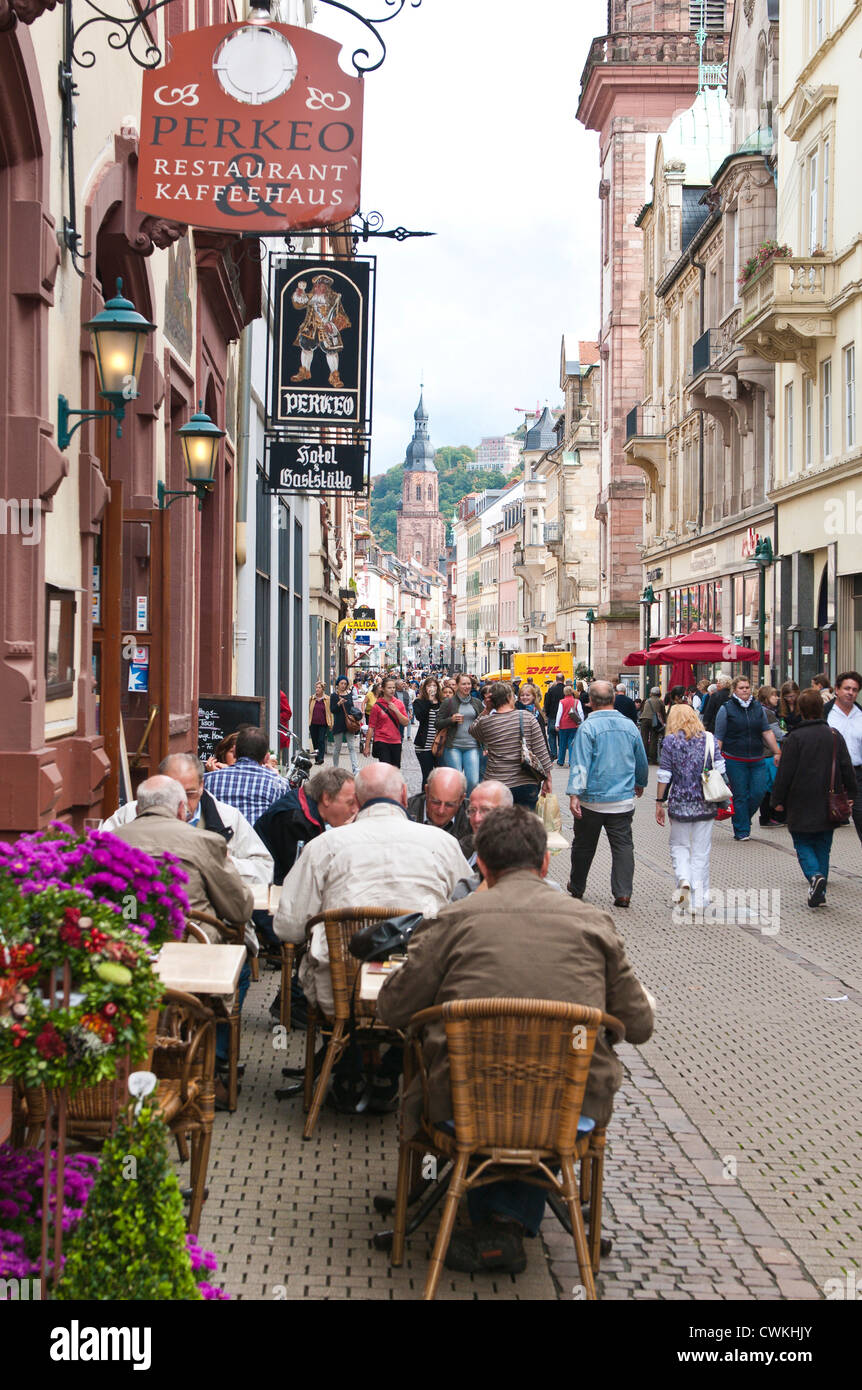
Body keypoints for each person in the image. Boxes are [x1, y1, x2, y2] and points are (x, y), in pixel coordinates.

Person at [375, 806, 655, 1275]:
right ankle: (510, 1219)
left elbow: (392, 1010)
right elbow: (640, 1026)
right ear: (546, 864)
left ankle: (483, 1218)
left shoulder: (452, 920)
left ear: (480, 866)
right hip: (571, 1110)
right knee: (543, 1095)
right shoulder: (592, 923)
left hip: (460, 1107)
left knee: (481, 1090)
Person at [272, 763, 472, 1110]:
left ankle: (348, 1067)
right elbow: (468, 915)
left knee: (332, 975)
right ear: (406, 796)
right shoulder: (443, 844)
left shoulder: (325, 845)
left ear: (358, 800)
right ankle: (394, 1069)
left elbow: (287, 927)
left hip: (341, 991)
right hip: (418, 991)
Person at [111, 775, 254, 1107]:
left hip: (124, 957)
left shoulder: (111, 840)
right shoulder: (202, 840)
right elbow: (239, 907)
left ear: (138, 807)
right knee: (241, 971)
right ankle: (214, 1067)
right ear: (180, 808)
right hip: (191, 957)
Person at [102, 752, 273, 888]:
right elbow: (97, 856)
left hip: (205, 919)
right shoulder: (130, 814)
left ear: (201, 786)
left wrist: (226, 864)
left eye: (189, 793)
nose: (181, 802)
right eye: (171, 792)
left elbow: (265, 870)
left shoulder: (227, 818)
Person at [772, 687, 857, 907]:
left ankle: (814, 875)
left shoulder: (795, 738)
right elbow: (846, 767)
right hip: (829, 799)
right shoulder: (834, 735)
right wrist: (852, 793)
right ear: (821, 709)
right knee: (823, 845)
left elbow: (785, 772)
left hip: (800, 799)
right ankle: (820, 889)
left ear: (800, 709)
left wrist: (777, 800)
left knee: (802, 841)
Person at [567, 679, 649, 908]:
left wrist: (575, 793)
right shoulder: (630, 726)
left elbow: (580, 763)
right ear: (613, 699)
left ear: (590, 702)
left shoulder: (587, 728)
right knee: (623, 845)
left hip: (591, 798)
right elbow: (641, 759)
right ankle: (623, 892)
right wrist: (640, 782)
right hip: (622, 798)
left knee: (584, 845)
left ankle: (577, 885)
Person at [655, 704, 727, 913]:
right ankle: (699, 899)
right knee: (701, 851)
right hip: (705, 800)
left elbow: (664, 775)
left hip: (679, 801)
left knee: (679, 845)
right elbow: (721, 768)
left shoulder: (670, 741)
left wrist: (659, 802)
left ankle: (684, 878)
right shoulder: (709, 739)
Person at [254, 767, 358, 884]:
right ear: (326, 798)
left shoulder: (305, 806)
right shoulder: (295, 820)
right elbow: (303, 878)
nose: (355, 810)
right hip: (268, 889)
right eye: (350, 803)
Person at [714, 675, 781, 841]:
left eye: (747, 687)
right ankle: (742, 830)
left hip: (757, 758)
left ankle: (743, 818)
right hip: (734, 759)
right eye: (741, 688)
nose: (745, 690)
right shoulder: (726, 709)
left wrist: (777, 751)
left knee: (758, 792)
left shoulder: (757, 707)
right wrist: (715, 759)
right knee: (740, 795)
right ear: (734, 690)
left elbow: (766, 731)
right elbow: (719, 736)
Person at [472, 680, 552, 811]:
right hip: (526, 781)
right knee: (525, 824)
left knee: (500, 824)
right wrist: (548, 779)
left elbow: (472, 730)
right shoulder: (527, 717)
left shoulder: (486, 722)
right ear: (510, 698)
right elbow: (540, 750)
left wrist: (487, 709)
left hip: (497, 782)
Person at [204, 726, 289, 826]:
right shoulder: (279, 783)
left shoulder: (208, 779)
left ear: (235, 752)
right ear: (266, 757)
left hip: (221, 840)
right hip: (258, 840)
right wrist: (277, 778)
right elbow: (285, 820)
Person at [290, 273, 350, 387]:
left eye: (321, 286)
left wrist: (332, 325)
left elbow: (343, 317)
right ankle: (304, 371)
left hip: (328, 330)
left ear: (326, 288)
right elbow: (298, 304)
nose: (317, 288)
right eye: (316, 286)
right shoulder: (311, 297)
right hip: (311, 328)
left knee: (332, 352)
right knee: (306, 348)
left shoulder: (334, 299)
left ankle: (334, 376)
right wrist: (299, 293)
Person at [825, 671, 862, 846]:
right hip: (830, 776)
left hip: (857, 775)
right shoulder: (825, 714)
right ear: (837, 690)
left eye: (855, 690)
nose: (850, 693)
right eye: (847, 688)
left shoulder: (860, 714)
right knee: (824, 822)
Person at [436, 673, 484, 793]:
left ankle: (467, 805)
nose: (466, 686)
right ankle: (456, 806)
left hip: (472, 745)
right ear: (457, 685)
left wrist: (486, 745)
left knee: (473, 781)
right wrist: (451, 719)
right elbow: (437, 723)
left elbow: (483, 725)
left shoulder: (477, 703)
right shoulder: (449, 702)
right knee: (456, 781)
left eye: (468, 684)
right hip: (453, 746)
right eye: (463, 684)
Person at [406, 766, 472, 854]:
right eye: (435, 802)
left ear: (461, 799)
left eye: (449, 805)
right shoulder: (405, 813)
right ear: (427, 791)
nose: (441, 810)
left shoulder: (473, 818)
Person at [364, 675, 408, 767]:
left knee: (395, 770)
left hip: (396, 741)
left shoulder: (399, 704)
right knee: (385, 769)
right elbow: (371, 727)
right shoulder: (377, 706)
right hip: (381, 740)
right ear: (383, 689)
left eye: (393, 688)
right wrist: (367, 746)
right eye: (389, 688)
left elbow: (405, 722)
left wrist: (396, 710)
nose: (392, 690)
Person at [756, 686, 785, 827]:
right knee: (772, 785)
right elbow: (777, 734)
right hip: (770, 753)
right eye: (774, 696)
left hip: (763, 753)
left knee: (767, 785)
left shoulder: (759, 709)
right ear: (767, 697)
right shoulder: (769, 713)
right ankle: (771, 816)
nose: (777, 698)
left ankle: (766, 817)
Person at [412, 676, 443, 787]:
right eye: (429, 686)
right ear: (424, 688)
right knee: (427, 776)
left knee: (440, 776)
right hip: (424, 744)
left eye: (434, 685)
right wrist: (429, 701)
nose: (432, 688)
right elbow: (420, 717)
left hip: (440, 744)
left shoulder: (442, 702)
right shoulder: (419, 702)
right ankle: (424, 801)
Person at [330, 677, 361, 774]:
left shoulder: (349, 694)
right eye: (341, 683)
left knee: (351, 747)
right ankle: (335, 768)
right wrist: (339, 703)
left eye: (345, 683)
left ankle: (355, 768)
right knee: (337, 748)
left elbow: (351, 708)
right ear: (338, 684)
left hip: (349, 724)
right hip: (339, 724)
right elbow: (332, 710)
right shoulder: (334, 696)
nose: (343, 685)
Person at [555, 682, 584, 768]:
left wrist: (557, 724)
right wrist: (581, 722)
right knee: (572, 744)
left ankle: (561, 760)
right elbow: (581, 712)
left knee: (562, 743)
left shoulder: (562, 702)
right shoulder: (577, 701)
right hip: (574, 725)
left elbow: (559, 713)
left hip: (563, 725)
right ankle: (572, 761)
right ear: (571, 692)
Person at [516, 682, 549, 749]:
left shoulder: (537, 713)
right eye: (522, 695)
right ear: (519, 697)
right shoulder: (515, 711)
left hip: (534, 748)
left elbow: (542, 735)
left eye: (527, 695)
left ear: (533, 697)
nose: (525, 697)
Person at [639, 686, 666, 765]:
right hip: (654, 721)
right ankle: (652, 759)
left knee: (644, 738)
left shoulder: (647, 701)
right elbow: (663, 713)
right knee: (654, 739)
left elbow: (642, 710)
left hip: (644, 719)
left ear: (651, 693)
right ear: (659, 694)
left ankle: (644, 757)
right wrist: (664, 722)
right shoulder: (660, 701)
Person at [307, 680, 332, 765]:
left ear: (322, 689)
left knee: (321, 740)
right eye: (316, 687)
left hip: (323, 724)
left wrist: (331, 723)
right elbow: (309, 711)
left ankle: (321, 757)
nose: (317, 689)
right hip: (313, 723)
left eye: (319, 687)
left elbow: (330, 712)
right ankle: (317, 758)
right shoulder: (312, 698)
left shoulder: (327, 699)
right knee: (315, 741)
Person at [543, 675, 565, 760]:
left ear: (556, 680)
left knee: (551, 736)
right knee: (561, 736)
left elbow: (547, 704)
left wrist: (547, 714)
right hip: (563, 717)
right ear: (563, 680)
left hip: (552, 716)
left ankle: (553, 753)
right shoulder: (566, 690)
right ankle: (561, 754)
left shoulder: (551, 690)